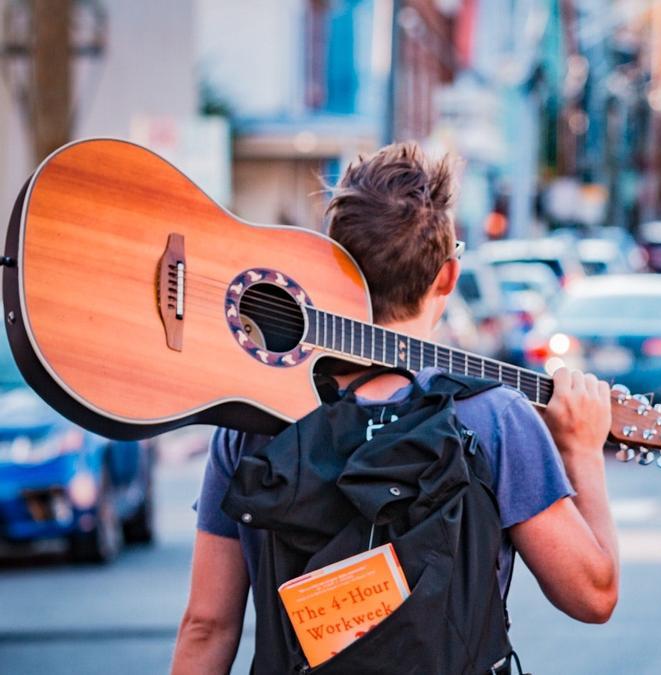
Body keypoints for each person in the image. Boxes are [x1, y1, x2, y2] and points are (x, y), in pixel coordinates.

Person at [171, 143, 620, 673]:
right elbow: (592, 596)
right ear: (448, 278)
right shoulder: (492, 418)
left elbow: (208, 625)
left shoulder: (252, 420)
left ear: (328, 267)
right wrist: (583, 452)